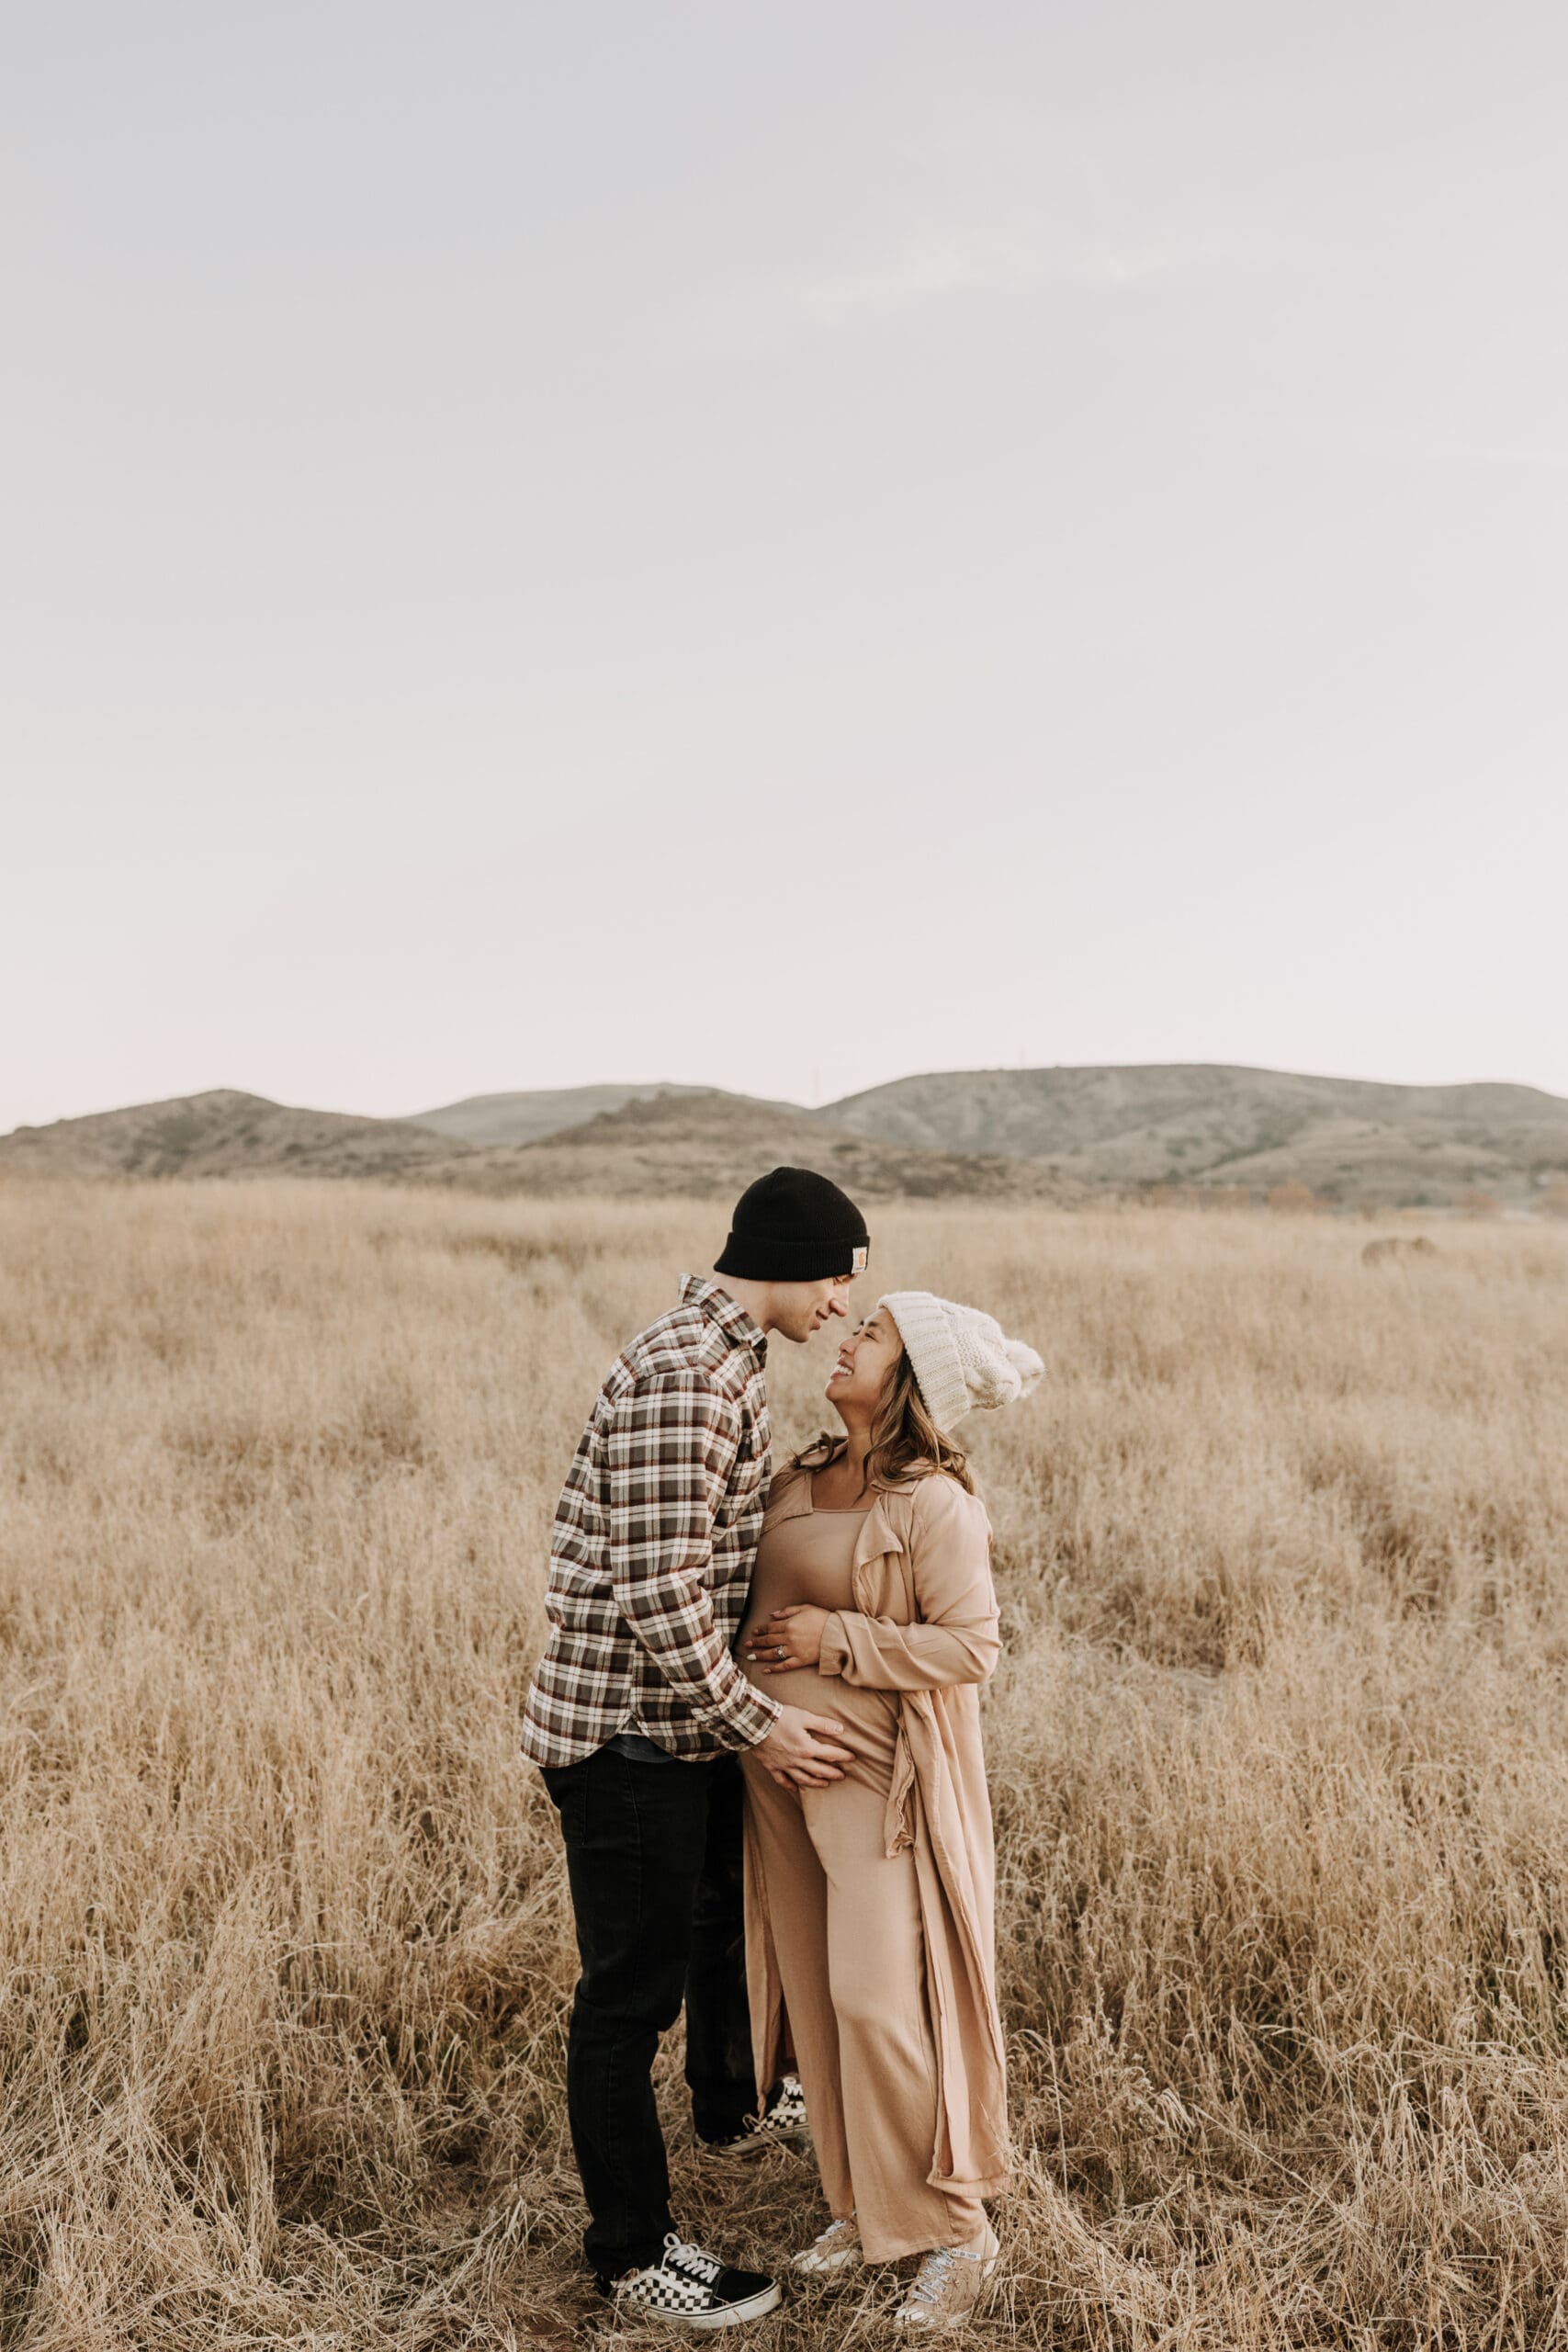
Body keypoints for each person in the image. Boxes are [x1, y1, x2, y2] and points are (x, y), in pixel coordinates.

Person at [521, 1167, 871, 2327]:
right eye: (835, 1270)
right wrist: (762, 1726)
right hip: (628, 1734)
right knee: (628, 1998)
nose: (843, 1299)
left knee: (719, 1919)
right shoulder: (688, 1378)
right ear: (783, 1256)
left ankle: (728, 2102)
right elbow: (661, 1597)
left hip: (680, 1727)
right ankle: (631, 2251)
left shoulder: (727, 1361)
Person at [739, 1291, 1043, 2334]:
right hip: (777, 1775)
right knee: (816, 2001)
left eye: (871, 1333)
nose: (845, 1336)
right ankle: (865, 2204)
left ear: (912, 1375)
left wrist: (835, 1644)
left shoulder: (933, 1503)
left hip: (880, 1779)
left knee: (876, 1997)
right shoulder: (795, 1473)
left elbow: (972, 1650)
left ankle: (960, 2233)